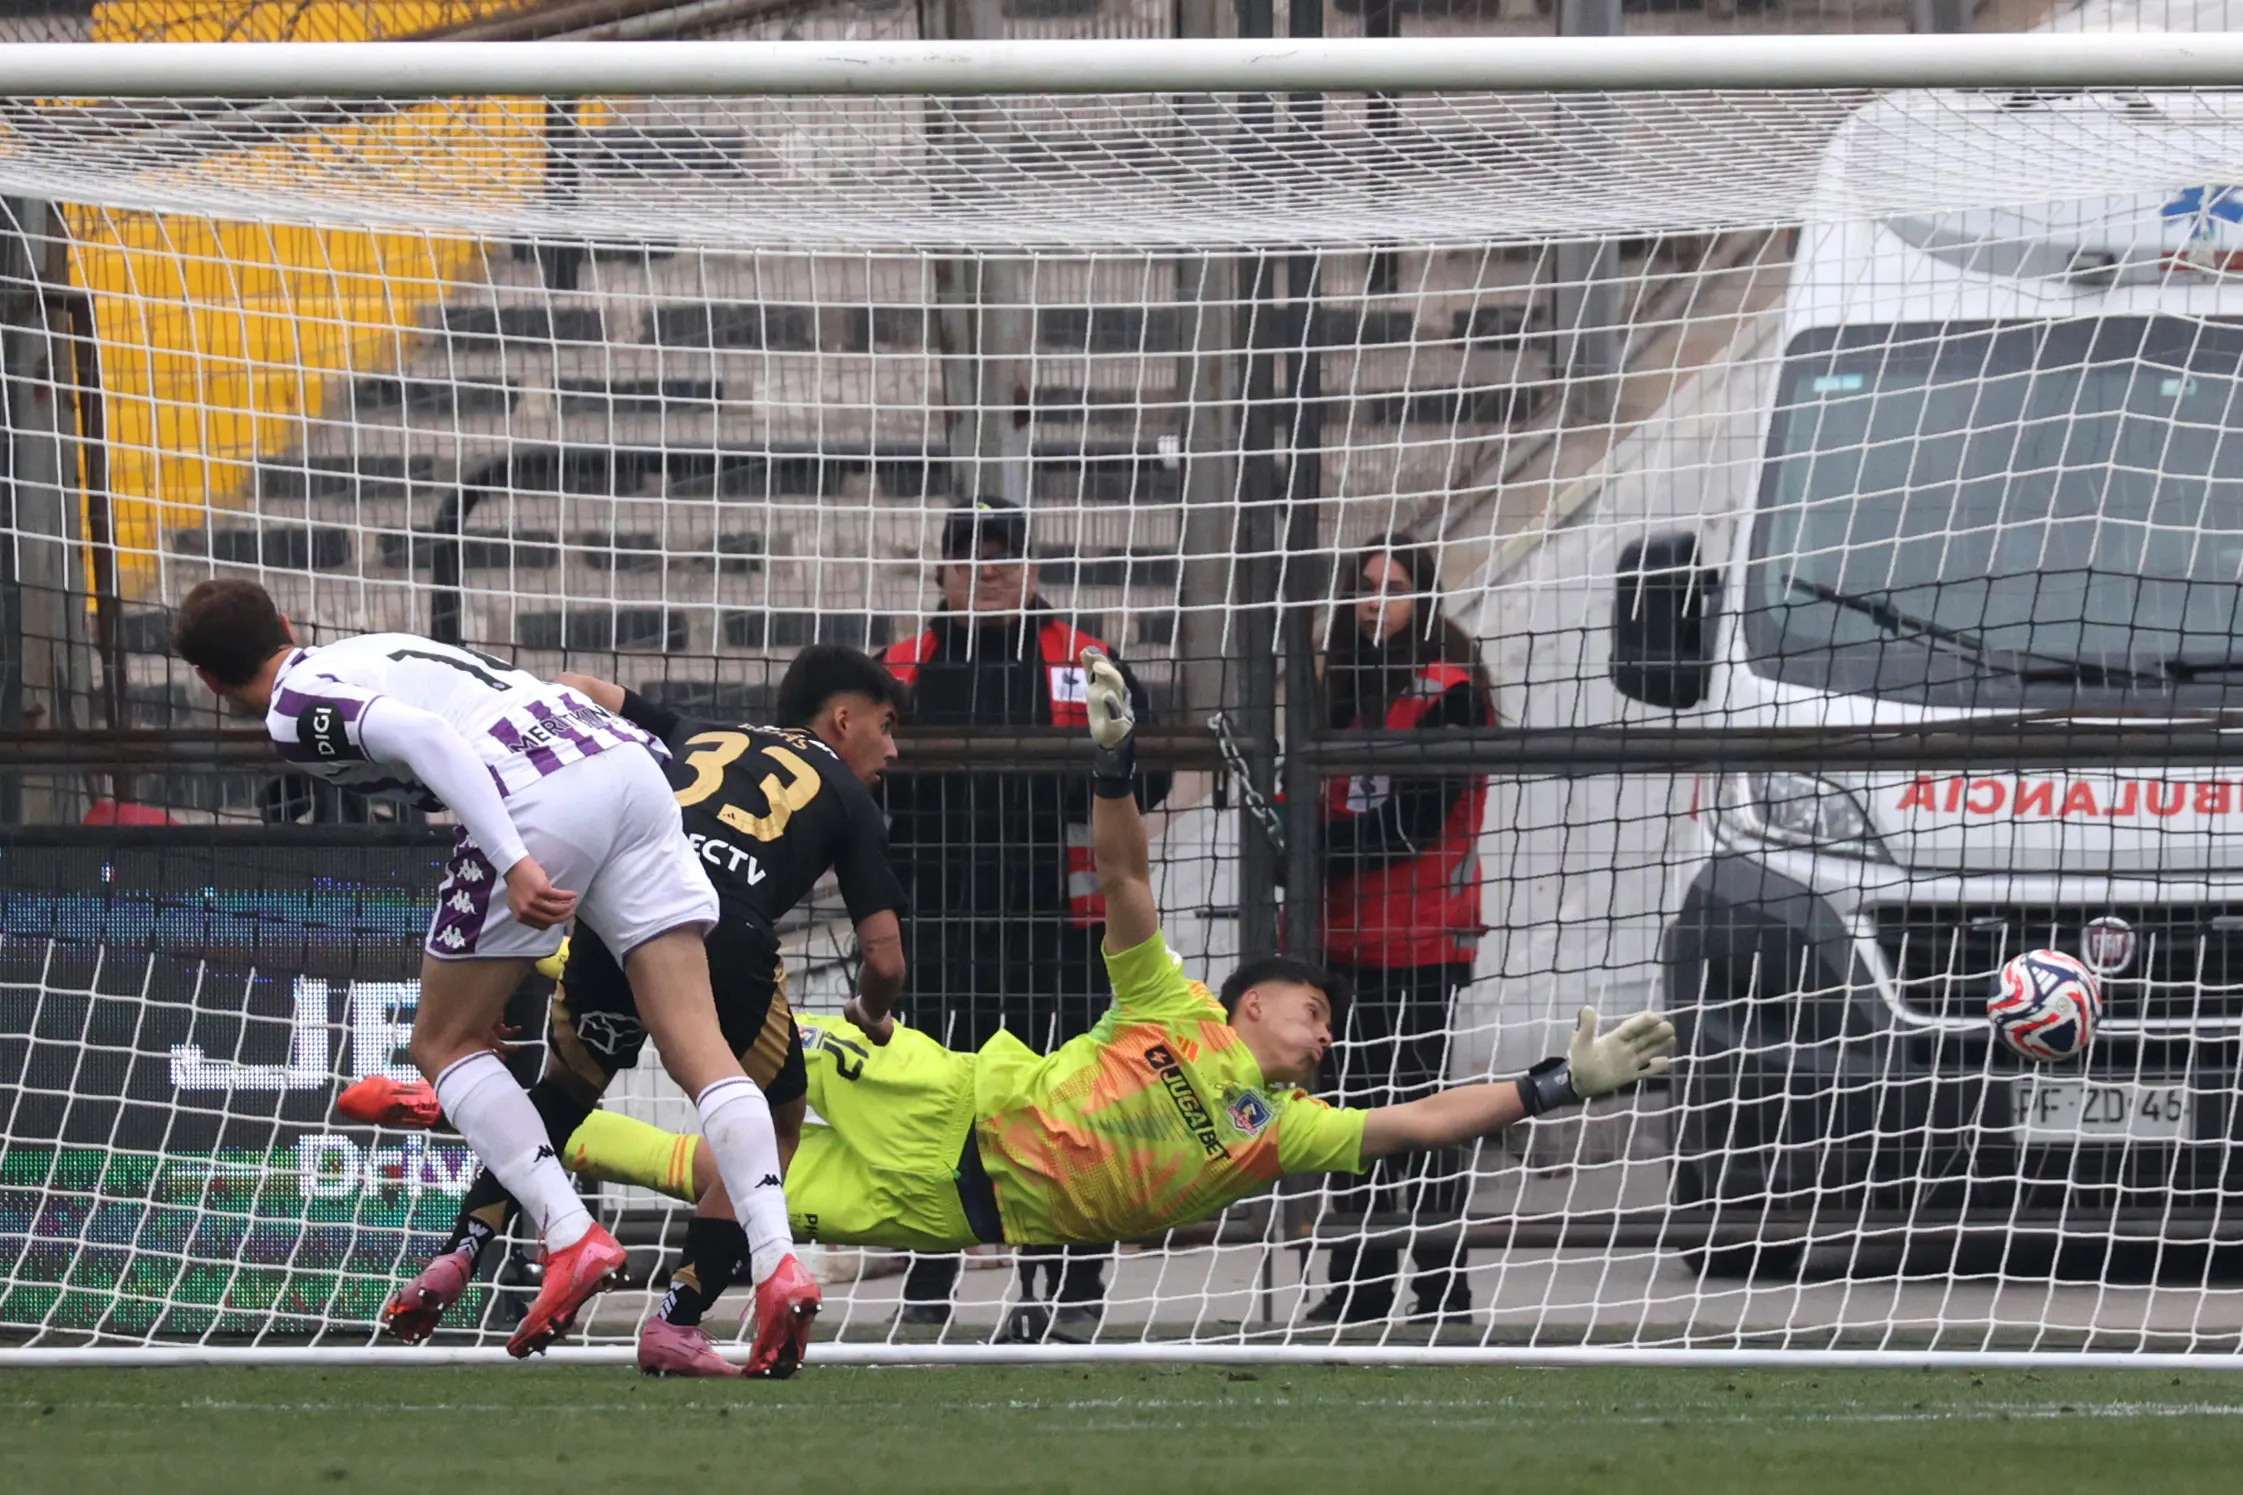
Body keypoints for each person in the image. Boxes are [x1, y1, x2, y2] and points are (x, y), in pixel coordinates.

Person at [550, 651, 1674, 1293]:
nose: (1324, 1036)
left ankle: (495, 1118)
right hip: (938, 1093)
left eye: (1327, 1026)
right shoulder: (1171, 1002)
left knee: (700, 1170)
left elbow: (1418, 1122)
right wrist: (1112, 765)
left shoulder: (1284, 1131)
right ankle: (572, 978)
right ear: (1249, 999)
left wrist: (1551, 1083)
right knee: (729, 1043)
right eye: (1314, 1008)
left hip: (941, 1209)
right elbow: (1128, 884)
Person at [171, 579, 817, 1372]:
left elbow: (434, 742)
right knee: (701, 1049)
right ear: (286, 622)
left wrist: (513, 862)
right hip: (626, 767)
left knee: (439, 1042)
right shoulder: (359, 652)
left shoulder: (295, 702)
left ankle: (570, 1233)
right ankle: (778, 1259)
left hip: (539, 789)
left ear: (206, 679)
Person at [352, 644, 909, 1378]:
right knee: (771, 1123)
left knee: (558, 1097)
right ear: (843, 719)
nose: (892, 748)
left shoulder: (695, 730)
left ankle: (460, 1251)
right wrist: (872, 1013)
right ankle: (682, 1317)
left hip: (613, 923)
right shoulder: (847, 791)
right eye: (887, 724)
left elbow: (578, 686)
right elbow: (886, 958)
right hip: (719, 934)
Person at [878, 497, 1167, 1339]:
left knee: (1071, 1116)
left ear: (1033, 567)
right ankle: (927, 1289)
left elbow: (1141, 783)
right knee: (935, 1111)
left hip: (1064, 935)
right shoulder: (897, 667)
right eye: (969, 554)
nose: (989, 568)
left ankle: (1072, 1289)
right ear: (939, 570)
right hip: (939, 935)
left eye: (1004, 553)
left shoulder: (1089, 659)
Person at [1309, 533, 1498, 1325]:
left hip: (1420, 941)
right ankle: (1356, 1284)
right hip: (1339, 942)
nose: (1375, 601)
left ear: (1423, 599)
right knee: (1347, 1120)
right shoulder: (1335, 689)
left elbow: (1412, 821)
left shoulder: (1449, 690)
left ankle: (1439, 1286)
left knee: (1418, 1115)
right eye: (1364, 586)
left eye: (1392, 586)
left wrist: (1307, 850)